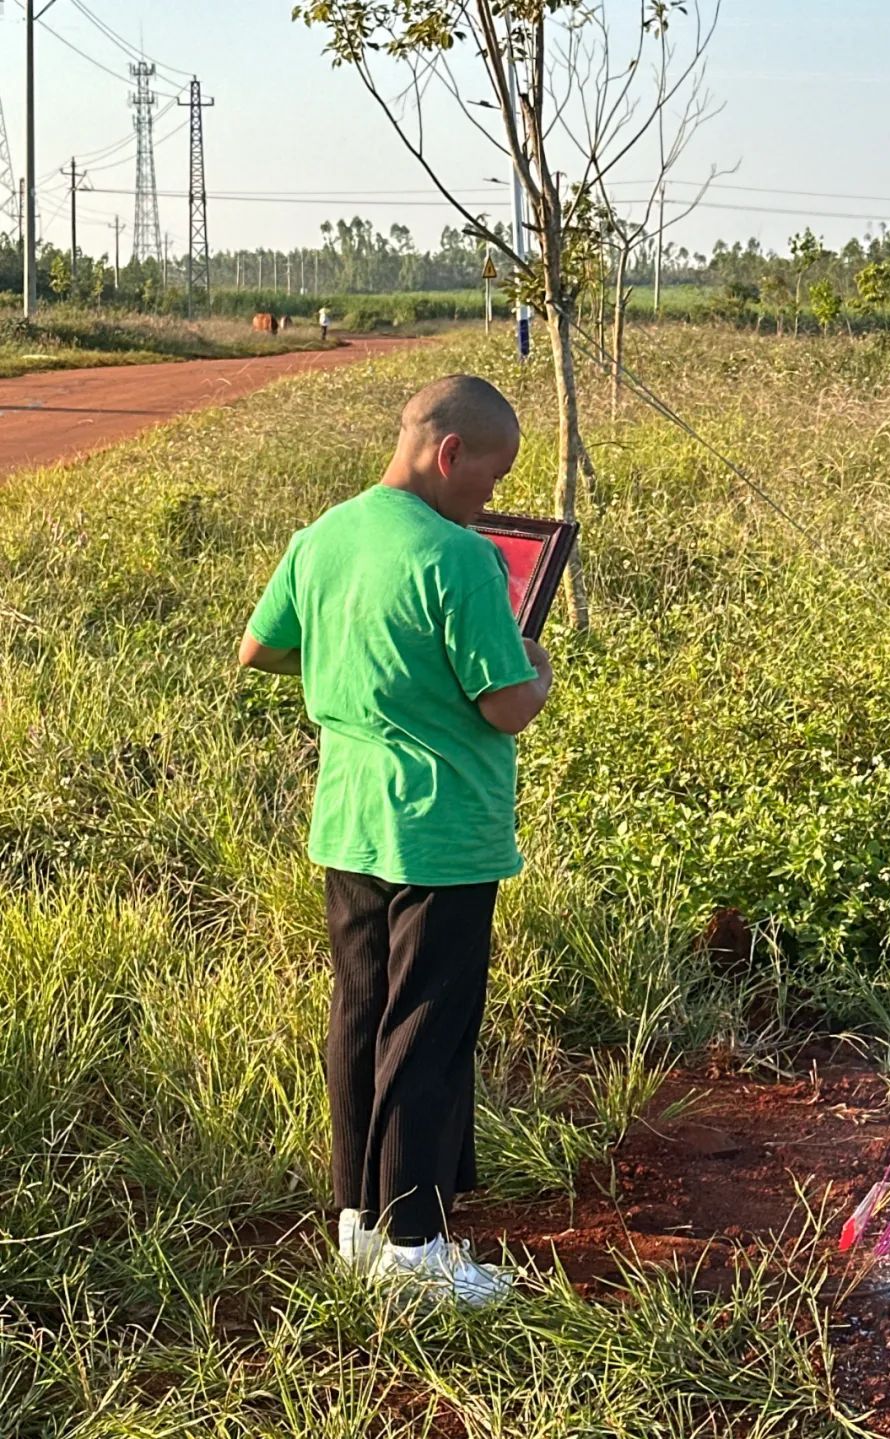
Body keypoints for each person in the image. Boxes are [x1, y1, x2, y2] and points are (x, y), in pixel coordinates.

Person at [238, 374, 554, 1307]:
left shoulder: (325, 534)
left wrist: (360, 663)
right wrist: (537, 667)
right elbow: (504, 706)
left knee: (362, 1014)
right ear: (450, 453)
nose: (491, 497)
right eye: (492, 476)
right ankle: (415, 1249)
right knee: (427, 1028)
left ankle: (359, 1227)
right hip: (443, 832)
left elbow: (260, 649)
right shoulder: (462, 559)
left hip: (350, 820)